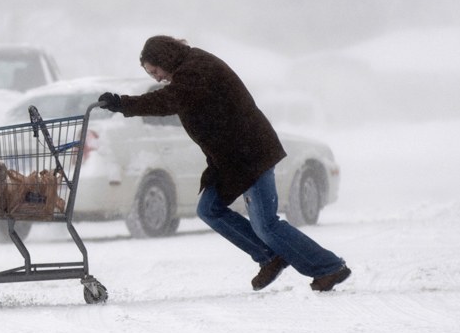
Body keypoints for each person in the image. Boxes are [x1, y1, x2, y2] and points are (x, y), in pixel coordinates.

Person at [98, 35, 351, 292]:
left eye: (155, 71)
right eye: (151, 74)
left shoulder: (196, 70)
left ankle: (328, 267)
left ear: (164, 59)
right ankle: (270, 256)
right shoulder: (189, 67)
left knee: (266, 225)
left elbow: (165, 101)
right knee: (209, 209)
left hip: (251, 154)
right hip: (231, 160)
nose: (157, 78)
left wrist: (122, 103)